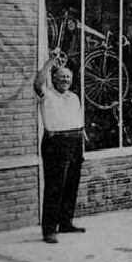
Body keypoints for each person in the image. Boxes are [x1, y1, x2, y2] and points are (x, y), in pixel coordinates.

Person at [34, 49, 86, 244]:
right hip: (55, 143)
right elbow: (38, 82)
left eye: (67, 77)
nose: (65, 80)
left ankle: (66, 222)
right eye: (61, 76)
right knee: (55, 186)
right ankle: (49, 230)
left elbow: (78, 121)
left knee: (71, 184)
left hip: (75, 141)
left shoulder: (74, 97)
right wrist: (50, 62)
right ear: (53, 79)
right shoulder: (46, 94)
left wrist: (81, 145)